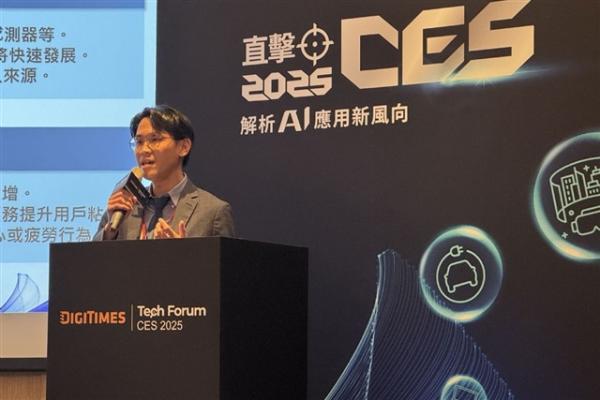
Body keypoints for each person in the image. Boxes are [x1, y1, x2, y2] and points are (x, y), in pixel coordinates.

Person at [93, 105, 235, 240]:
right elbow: (93, 256)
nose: (144, 150)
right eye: (139, 142)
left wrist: (183, 253)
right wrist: (110, 231)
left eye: (155, 139)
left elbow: (223, 259)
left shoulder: (213, 212)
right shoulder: (124, 206)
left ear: (184, 147)